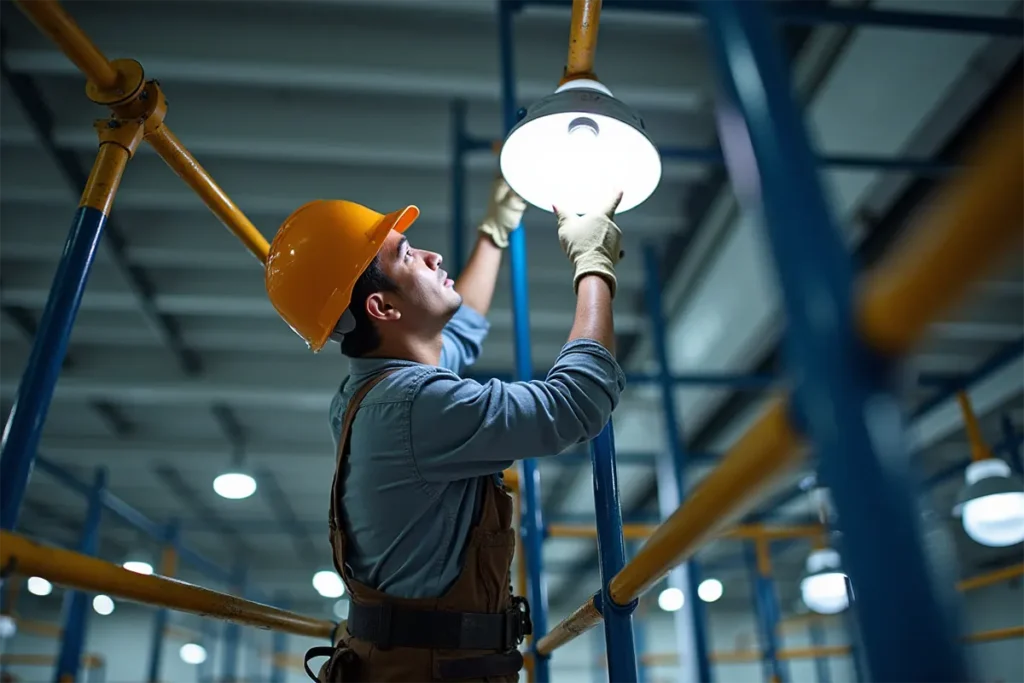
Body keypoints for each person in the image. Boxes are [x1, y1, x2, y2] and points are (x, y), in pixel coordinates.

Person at [265, 177, 627, 682]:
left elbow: (463, 331)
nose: (433, 256)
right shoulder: (415, 405)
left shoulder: (366, 392)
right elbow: (578, 403)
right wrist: (594, 266)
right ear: (383, 309)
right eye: (408, 254)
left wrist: (495, 229)